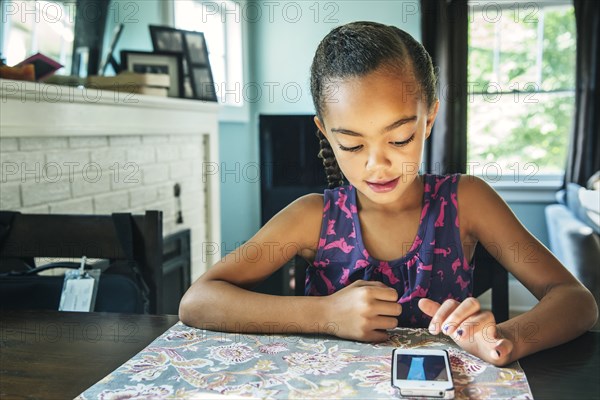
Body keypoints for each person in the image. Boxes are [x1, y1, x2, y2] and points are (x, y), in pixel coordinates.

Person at [179, 21, 598, 366]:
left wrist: (504, 338)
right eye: (353, 145)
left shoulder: (467, 201)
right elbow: (198, 301)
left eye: (399, 139)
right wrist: (324, 315)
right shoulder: (312, 217)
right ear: (325, 131)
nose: (377, 165)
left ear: (429, 117)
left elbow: (576, 301)